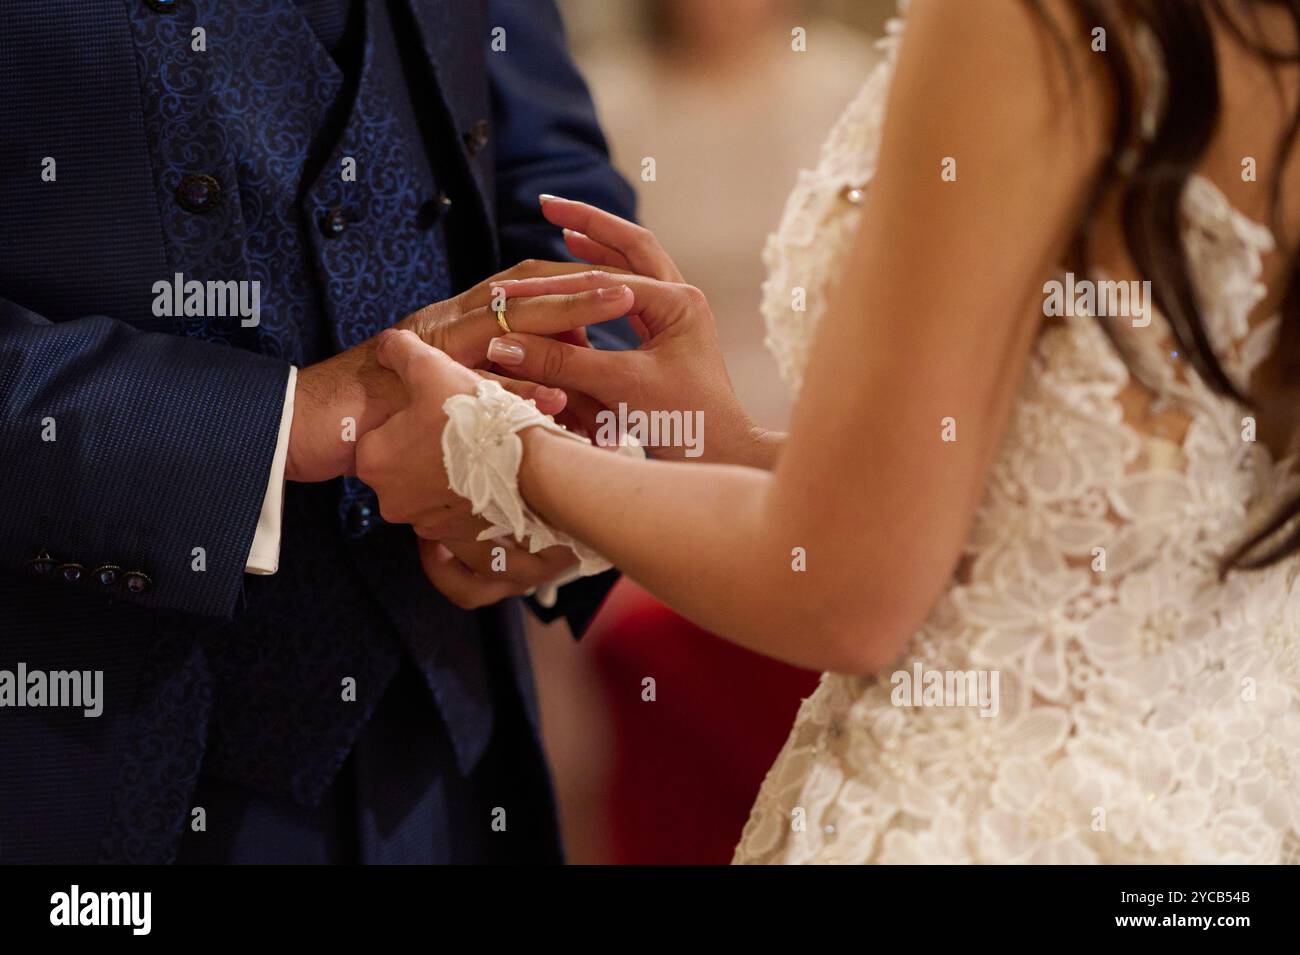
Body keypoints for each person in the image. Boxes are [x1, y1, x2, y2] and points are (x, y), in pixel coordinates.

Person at [358, 0, 1300, 863]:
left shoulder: (1020, 21)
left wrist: (504, 453)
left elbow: (845, 589)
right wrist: (721, 439)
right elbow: (1080, 520)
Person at [0, 0, 634, 863]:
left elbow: (548, 173)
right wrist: (271, 423)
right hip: (76, 756)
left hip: (447, 740)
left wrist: (584, 435)